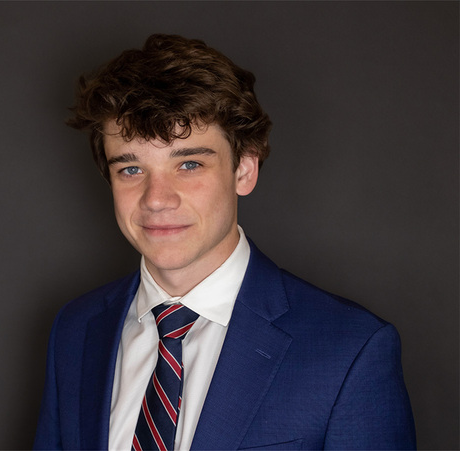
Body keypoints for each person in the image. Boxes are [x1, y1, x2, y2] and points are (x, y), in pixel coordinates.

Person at [33, 34, 415, 450]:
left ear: (244, 169)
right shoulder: (77, 329)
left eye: (189, 163)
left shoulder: (351, 350)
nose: (157, 198)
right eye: (131, 169)